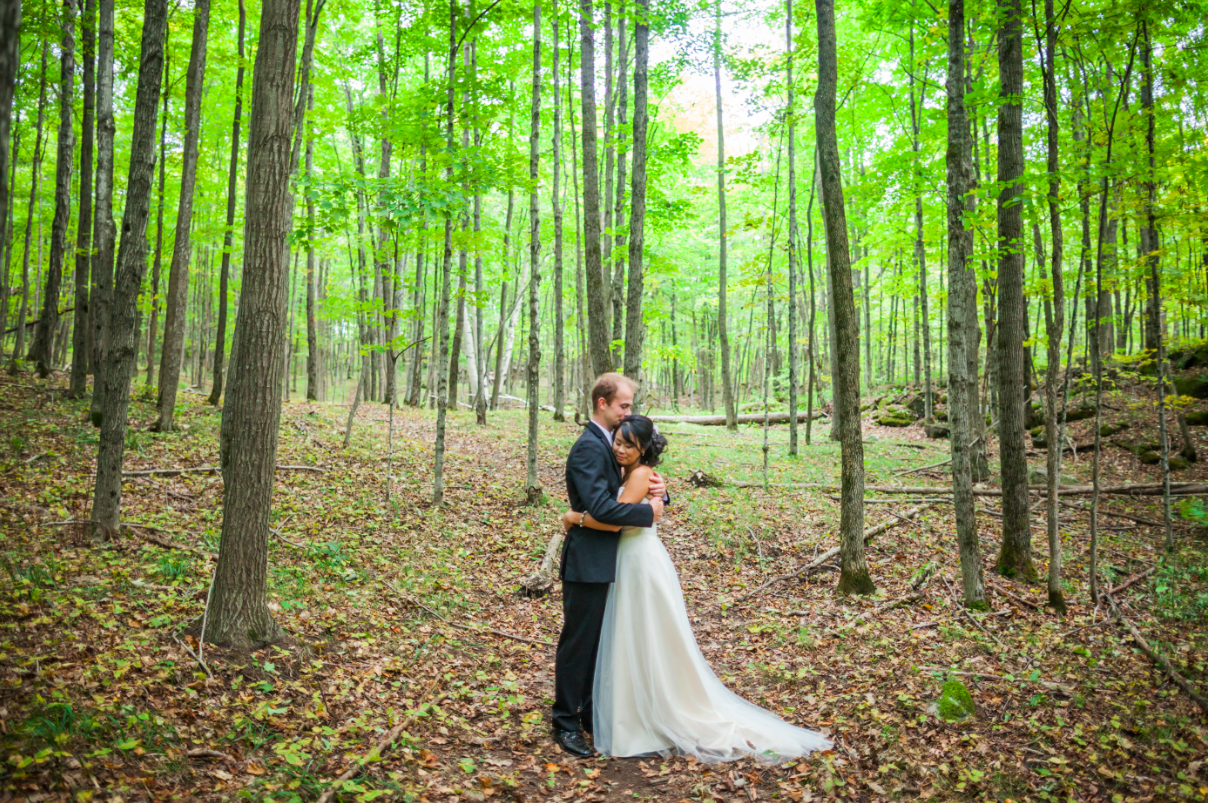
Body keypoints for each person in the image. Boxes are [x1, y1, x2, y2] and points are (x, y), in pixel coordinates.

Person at [559, 414, 832, 764]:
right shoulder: (633, 472)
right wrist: (660, 496)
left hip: (638, 563)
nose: (620, 448)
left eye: (629, 444)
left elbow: (614, 522)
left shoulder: (641, 474)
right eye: (619, 441)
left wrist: (574, 518)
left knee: (644, 636)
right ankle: (625, 705)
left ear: (644, 448)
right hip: (629, 561)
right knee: (633, 637)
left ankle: (647, 710)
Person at [553, 373, 666, 758]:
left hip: (609, 558)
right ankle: (565, 722)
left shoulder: (614, 446)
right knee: (578, 643)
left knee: (597, 643)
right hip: (588, 559)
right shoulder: (588, 448)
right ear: (603, 404)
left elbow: (635, 479)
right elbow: (601, 508)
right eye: (624, 406)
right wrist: (647, 513)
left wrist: (660, 494)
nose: (628, 413)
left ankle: (586, 712)